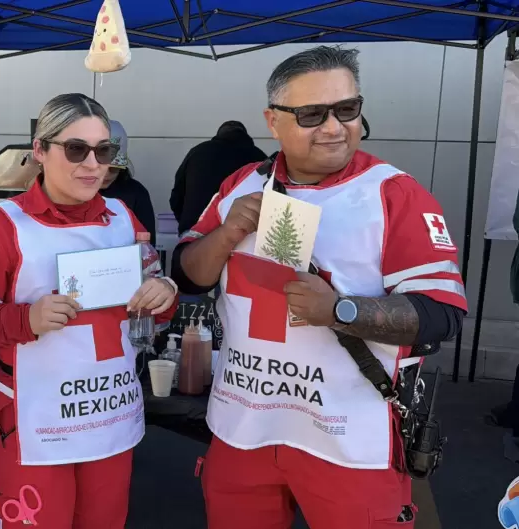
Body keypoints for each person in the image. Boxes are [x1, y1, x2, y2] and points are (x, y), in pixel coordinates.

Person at [172, 45, 467, 528]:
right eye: (312, 114)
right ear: (273, 121)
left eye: (347, 109)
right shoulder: (241, 183)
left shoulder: (395, 193)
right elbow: (187, 275)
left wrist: (341, 311)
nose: (334, 127)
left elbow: (442, 313)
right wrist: (225, 236)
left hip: (347, 439)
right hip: (243, 427)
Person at [0, 93, 179, 529]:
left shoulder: (122, 216)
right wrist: (23, 320)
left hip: (111, 416)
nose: (93, 164)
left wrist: (164, 291)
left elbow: (153, 304)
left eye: (104, 151)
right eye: (76, 149)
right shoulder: (1, 223)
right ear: (39, 151)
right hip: (36, 424)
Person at [169, 120, 267, 235]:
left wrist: (187, 222)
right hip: (242, 235)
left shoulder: (198, 152)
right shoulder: (260, 157)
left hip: (194, 230)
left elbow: (177, 196)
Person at [99, 119, 158, 245]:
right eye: (100, 167)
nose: (107, 174)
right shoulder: (76, 192)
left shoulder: (136, 193)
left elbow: (148, 245)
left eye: (114, 168)